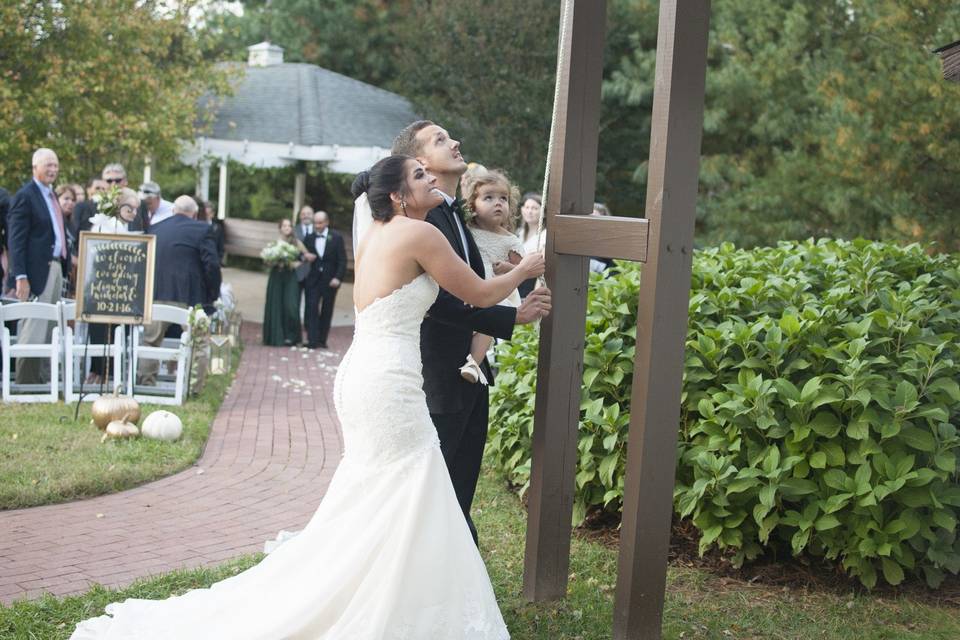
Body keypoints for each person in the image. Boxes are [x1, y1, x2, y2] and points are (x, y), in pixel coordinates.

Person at [71, 154, 543, 639]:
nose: (433, 179)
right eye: (420, 175)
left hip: (367, 374)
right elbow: (481, 294)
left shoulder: (380, 233)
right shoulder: (420, 234)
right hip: (388, 384)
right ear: (400, 196)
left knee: (384, 493)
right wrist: (525, 268)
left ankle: (384, 594)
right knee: (414, 483)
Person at [392, 120, 552, 544]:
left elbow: (468, 274)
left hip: (470, 372)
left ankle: (458, 568)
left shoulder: (452, 212)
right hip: (438, 372)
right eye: (441, 140)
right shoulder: (423, 220)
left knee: (460, 487)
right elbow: (439, 301)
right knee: (437, 487)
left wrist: (500, 275)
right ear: (419, 162)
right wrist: (510, 318)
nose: (456, 142)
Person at [137, 195, 221, 385]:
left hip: (157, 295)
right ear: (195, 214)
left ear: (173, 210)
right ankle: (194, 386)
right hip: (191, 298)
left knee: (151, 342)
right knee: (199, 342)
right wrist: (212, 295)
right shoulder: (204, 229)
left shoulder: (155, 229)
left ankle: (146, 382)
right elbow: (212, 265)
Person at [459, 166, 525, 384]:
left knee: (491, 317)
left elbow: (524, 270)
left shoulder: (510, 240)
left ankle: (473, 363)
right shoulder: (467, 231)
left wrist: (508, 268)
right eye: (489, 198)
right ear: (473, 205)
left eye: (503, 198)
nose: (498, 203)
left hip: (497, 292)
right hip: (470, 287)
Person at [7, 148, 68, 384]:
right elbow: (16, 240)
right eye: (47, 165)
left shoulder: (51, 195)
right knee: (34, 325)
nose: (52, 170)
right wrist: (20, 275)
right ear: (35, 168)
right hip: (35, 272)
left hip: (55, 267)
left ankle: (42, 379)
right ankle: (26, 381)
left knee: (51, 326)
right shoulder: (26, 195)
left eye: (55, 165)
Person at [85, 188, 142, 385]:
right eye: (130, 208)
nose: (134, 213)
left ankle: (110, 372)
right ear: (118, 206)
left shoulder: (124, 227)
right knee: (102, 330)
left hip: (120, 288)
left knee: (115, 331)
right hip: (104, 287)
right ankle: (100, 371)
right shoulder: (106, 225)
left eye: (136, 209)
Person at [302, 210, 346, 349]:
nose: (317, 225)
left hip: (330, 281)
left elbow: (342, 260)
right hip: (313, 280)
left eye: (320, 223)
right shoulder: (309, 237)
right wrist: (305, 257)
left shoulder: (336, 237)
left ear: (326, 222)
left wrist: (338, 278)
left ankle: (322, 340)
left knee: (327, 310)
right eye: (315, 223)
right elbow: (301, 256)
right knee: (311, 309)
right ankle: (312, 340)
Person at [262, 218, 307, 346]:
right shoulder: (274, 244)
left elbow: (307, 256)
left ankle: (292, 337)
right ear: (280, 228)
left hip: (290, 277)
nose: (287, 228)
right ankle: (275, 337)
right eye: (285, 226)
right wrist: (271, 260)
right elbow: (266, 261)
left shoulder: (296, 242)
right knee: (276, 305)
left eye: (289, 226)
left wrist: (296, 263)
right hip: (276, 276)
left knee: (291, 306)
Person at [517, 192, 543, 298]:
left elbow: (541, 274)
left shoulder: (544, 236)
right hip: (515, 286)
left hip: (530, 288)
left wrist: (535, 296)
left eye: (534, 208)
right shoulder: (519, 233)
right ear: (522, 209)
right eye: (527, 207)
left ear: (543, 212)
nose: (530, 211)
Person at [589, 202, 616, 274]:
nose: (590, 224)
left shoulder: (610, 250)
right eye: (588, 219)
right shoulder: (575, 246)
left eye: (595, 220)